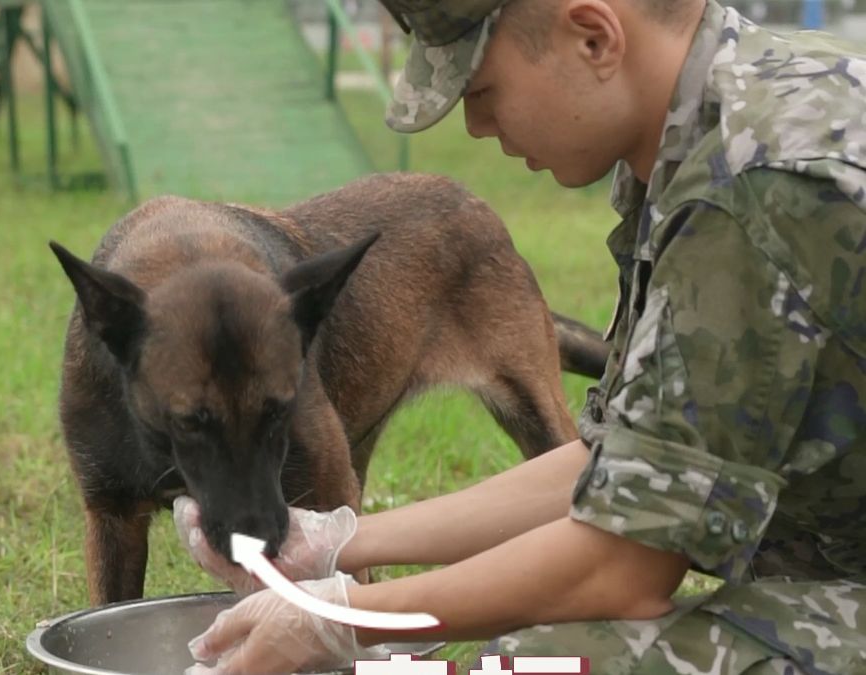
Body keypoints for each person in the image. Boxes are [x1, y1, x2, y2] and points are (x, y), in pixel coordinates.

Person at [177, 0, 866, 672]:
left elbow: (623, 566)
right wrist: (334, 543)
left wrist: (340, 617)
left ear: (593, 39)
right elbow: (621, 466)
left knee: (538, 663)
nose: (477, 125)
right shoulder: (727, 119)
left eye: (482, 90)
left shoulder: (752, 183)